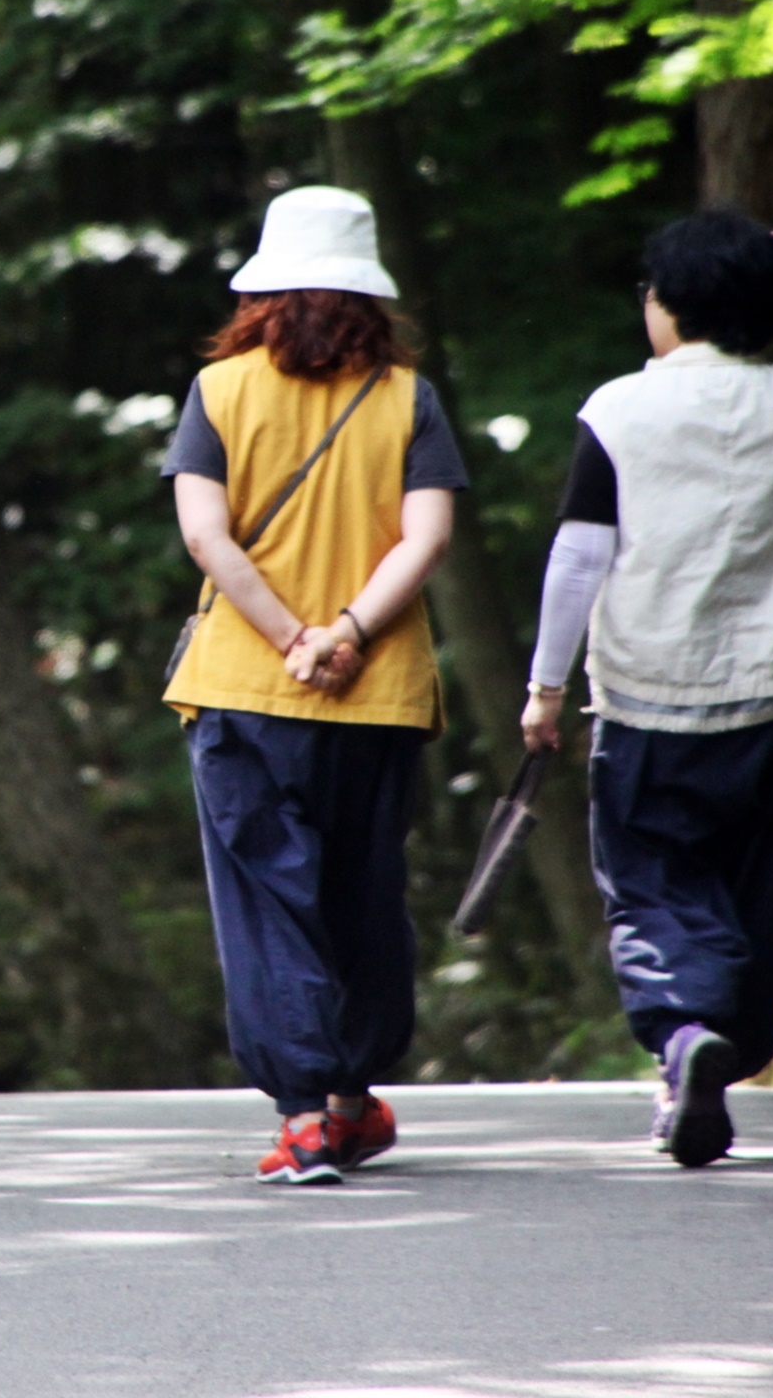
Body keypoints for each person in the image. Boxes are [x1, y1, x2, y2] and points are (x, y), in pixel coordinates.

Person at [520, 209, 773, 1168]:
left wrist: (542, 689)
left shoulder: (619, 409)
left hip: (650, 695)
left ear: (668, 308)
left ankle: (682, 1032)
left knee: (652, 882)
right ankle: (714, 1055)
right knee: (758, 883)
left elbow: (580, 555)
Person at [162, 185, 466, 1186]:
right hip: (373, 694)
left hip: (246, 688)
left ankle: (302, 1116)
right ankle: (349, 1097)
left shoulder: (219, 391)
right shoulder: (405, 395)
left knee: (267, 898)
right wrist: (344, 634)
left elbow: (205, 533)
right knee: (362, 891)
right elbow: (426, 537)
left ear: (267, 289)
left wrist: (290, 634)